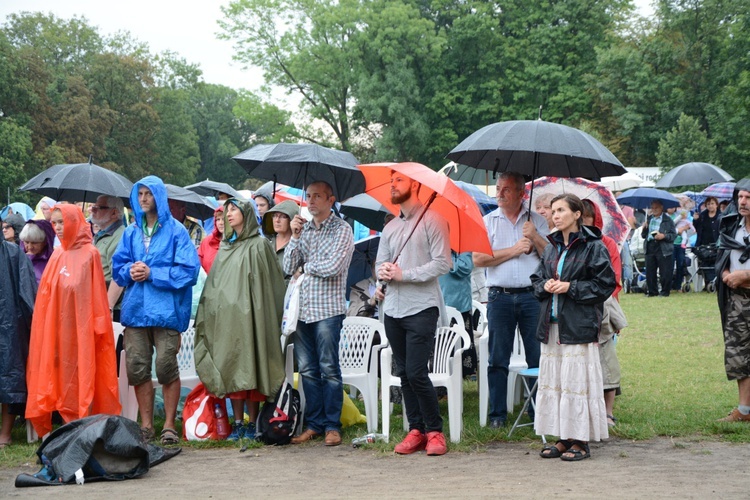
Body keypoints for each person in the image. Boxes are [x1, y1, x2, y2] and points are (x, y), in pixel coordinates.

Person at [112, 176, 200, 445]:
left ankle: (170, 425)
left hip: (166, 312)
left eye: (149, 194)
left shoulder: (176, 232)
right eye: (140, 194)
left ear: (159, 197)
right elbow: (118, 267)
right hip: (136, 311)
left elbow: (189, 271)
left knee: (165, 366)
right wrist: (130, 270)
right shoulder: (130, 232)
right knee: (137, 367)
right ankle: (147, 426)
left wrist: (153, 273)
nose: (143, 199)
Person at [372, 170, 451, 456]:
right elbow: (380, 262)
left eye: (399, 181)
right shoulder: (391, 227)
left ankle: (435, 431)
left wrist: (405, 274)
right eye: (391, 181)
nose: (393, 185)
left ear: (415, 185)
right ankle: (415, 429)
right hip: (393, 309)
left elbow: (443, 263)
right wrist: (381, 274)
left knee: (417, 372)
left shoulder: (434, 220)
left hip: (422, 308)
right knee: (404, 372)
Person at [531, 194, 616, 461]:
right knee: (557, 383)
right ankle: (562, 438)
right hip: (552, 325)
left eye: (560, 210)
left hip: (578, 326)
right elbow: (536, 279)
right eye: (552, 211)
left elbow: (605, 285)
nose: (554, 215)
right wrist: (544, 285)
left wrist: (571, 287)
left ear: (577, 214)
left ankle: (580, 441)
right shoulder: (551, 248)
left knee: (575, 383)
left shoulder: (594, 246)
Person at [25, 204, 121, 437]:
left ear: (74, 222)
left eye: (62, 222)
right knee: (54, 377)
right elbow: (46, 298)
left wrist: (96, 329)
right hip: (55, 332)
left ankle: (82, 429)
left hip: (81, 331)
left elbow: (97, 298)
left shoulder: (91, 254)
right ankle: (56, 432)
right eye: (55, 223)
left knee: (81, 376)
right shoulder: (57, 255)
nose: (58, 227)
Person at [195, 198, 286, 440]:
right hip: (228, 320)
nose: (230, 213)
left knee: (252, 366)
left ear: (247, 213)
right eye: (227, 210)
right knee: (232, 366)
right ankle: (237, 423)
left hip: (254, 318)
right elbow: (214, 287)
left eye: (234, 209)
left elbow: (270, 286)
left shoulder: (259, 246)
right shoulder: (225, 247)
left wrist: (260, 312)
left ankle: (254, 422)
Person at [473, 171, 549, 428]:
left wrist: (535, 236)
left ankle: (538, 413)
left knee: (537, 357)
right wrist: (514, 250)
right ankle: (497, 416)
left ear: (521, 193)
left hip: (531, 296)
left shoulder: (537, 221)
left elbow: (552, 257)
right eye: (498, 188)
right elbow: (479, 259)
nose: (500, 193)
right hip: (499, 297)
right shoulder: (488, 221)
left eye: (506, 189)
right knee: (497, 358)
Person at [283, 181, 353, 447]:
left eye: (317, 196)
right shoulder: (304, 228)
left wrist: (307, 268)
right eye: (308, 196)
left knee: (329, 369)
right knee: (309, 370)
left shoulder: (342, 229)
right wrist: (295, 237)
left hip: (327, 311)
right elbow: (289, 267)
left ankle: (332, 426)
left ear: (330, 199)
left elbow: (334, 266)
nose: (311, 201)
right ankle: (314, 424)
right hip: (302, 310)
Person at [581, 199, 623, 426]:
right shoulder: (572, 243)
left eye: (587, 217)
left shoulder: (607, 243)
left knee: (607, 361)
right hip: (577, 310)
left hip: (603, 308)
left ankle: (608, 412)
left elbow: (613, 279)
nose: (583, 221)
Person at [715, 179, 750, 422]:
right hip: (738, 298)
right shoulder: (732, 228)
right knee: (738, 353)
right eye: (740, 197)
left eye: (748, 198)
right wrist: (727, 275)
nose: (742, 202)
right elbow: (722, 258)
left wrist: (745, 276)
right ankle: (744, 410)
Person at [0, 236, 37, 448]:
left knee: (9, 378)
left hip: (10, 324)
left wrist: (34, 325)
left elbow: (27, 290)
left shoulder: (13, 253)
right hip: (10, 323)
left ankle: (5, 433)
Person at [439, 251, 476, 377]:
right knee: (439, 346)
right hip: (436, 302)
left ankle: (458, 378)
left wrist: (445, 257)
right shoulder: (432, 243)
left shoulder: (461, 246)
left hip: (459, 304)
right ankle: (440, 379)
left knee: (461, 346)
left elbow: (466, 267)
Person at [90, 195, 126, 316]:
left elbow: (119, 277)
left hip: (110, 309)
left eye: (98, 207)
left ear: (114, 213)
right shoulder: (102, 234)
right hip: (98, 303)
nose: (92, 210)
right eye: (93, 206)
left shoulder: (119, 236)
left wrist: (108, 308)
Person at [641, 200, 677, 297]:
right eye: (652, 207)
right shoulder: (649, 219)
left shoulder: (668, 220)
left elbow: (673, 235)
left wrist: (663, 236)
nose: (654, 210)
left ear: (661, 208)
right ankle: (652, 292)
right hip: (650, 246)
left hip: (662, 247)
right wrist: (644, 228)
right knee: (650, 271)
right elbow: (643, 236)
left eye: (656, 208)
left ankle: (665, 292)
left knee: (665, 271)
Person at [262, 199, 298, 273]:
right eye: (274, 216)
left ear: (292, 219)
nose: (277, 220)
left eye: (283, 217)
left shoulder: (297, 246)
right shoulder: (266, 243)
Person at [695, 196, 721, 285]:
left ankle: (715, 282)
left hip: (716, 243)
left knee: (715, 263)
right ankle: (707, 282)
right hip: (704, 243)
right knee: (705, 263)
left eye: (712, 203)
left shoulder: (721, 216)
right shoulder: (702, 215)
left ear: (717, 205)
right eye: (708, 204)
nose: (710, 206)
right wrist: (695, 220)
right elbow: (696, 228)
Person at [669, 207, 695, 292]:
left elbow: (688, 227)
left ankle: (678, 285)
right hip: (670, 244)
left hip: (680, 244)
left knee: (680, 265)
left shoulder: (681, 215)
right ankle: (668, 285)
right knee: (670, 265)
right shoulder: (667, 217)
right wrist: (680, 229)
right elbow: (671, 225)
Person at [198, 206, 224, 273]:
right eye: (218, 219)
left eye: (224, 219)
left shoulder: (237, 242)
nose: (220, 223)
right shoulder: (207, 241)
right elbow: (199, 264)